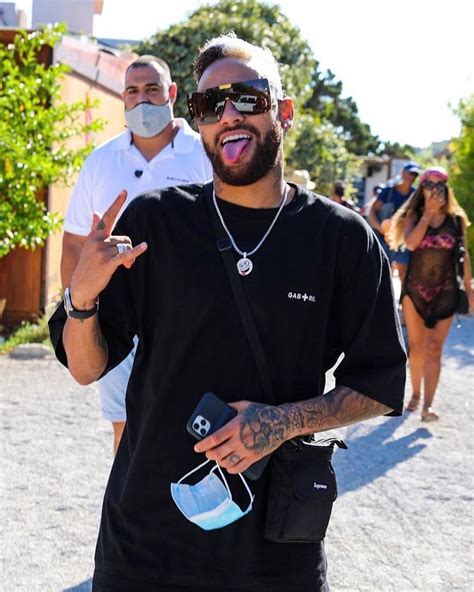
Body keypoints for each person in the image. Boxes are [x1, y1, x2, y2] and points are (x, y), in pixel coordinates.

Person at [49, 34, 406, 592]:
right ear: (198, 121)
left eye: (248, 97)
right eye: (211, 104)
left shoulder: (340, 239)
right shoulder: (154, 223)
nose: (230, 114)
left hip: (275, 554)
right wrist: (83, 298)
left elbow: (382, 384)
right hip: (144, 545)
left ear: (283, 111)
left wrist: (281, 423)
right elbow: (84, 367)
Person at [60, 55, 212, 453]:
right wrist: (76, 313)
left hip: (190, 323)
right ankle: (126, 512)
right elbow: (75, 242)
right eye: (132, 91)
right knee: (126, 431)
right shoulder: (100, 161)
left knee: (194, 429)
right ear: (122, 98)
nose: (141, 100)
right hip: (118, 319)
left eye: (151, 90)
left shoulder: (205, 156)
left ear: (173, 94)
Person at [390, 166, 472, 421]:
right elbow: (412, 243)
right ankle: (414, 394)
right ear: (422, 189)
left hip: (445, 291)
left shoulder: (457, 220)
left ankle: (428, 405)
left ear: (446, 189)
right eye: (430, 185)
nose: (435, 190)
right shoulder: (413, 215)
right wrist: (427, 215)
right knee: (416, 346)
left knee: (435, 348)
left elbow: (464, 256)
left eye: (440, 185)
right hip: (414, 290)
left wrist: (469, 291)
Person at [368, 162, 420, 282]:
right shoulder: (389, 191)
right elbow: (372, 212)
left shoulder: (415, 195)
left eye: (415, 175)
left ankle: (403, 299)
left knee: (403, 272)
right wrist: (381, 229)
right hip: (384, 238)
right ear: (403, 173)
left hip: (403, 240)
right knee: (381, 272)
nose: (412, 177)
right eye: (410, 173)